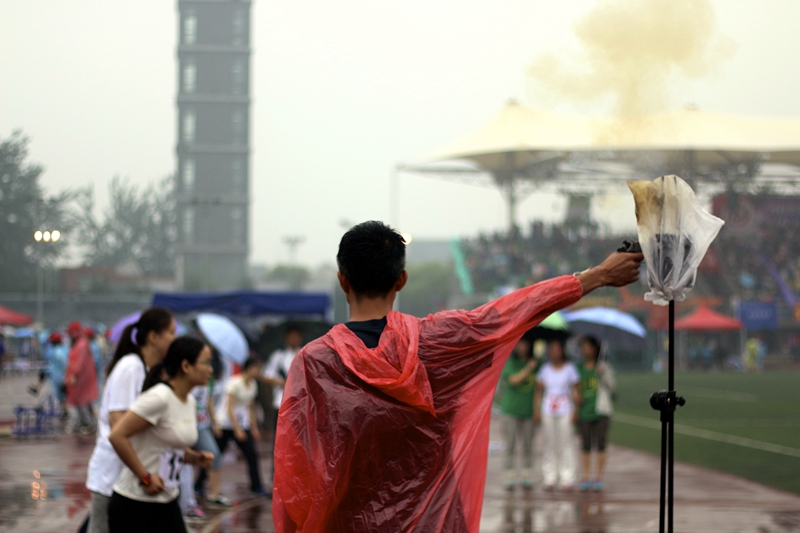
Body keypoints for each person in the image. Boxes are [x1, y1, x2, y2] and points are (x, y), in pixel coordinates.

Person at [272, 221, 642, 533]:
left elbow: (294, 472)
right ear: (401, 280)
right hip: (437, 522)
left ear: (342, 280)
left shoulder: (315, 363)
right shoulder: (439, 342)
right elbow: (511, 312)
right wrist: (597, 276)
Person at [107, 336, 215, 533]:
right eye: (206, 362)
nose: (211, 369)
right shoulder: (159, 397)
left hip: (167, 499)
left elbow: (168, 446)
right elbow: (117, 436)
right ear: (186, 366)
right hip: (134, 503)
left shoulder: (189, 401)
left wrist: (195, 458)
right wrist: (145, 477)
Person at [84, 308, 176, 533]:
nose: (175, 339)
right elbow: (117, 422)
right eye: (171, 333)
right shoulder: (131, 368)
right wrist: (144, 474)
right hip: (112, 471)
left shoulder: (145, 369)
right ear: (153, 337)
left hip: (126, 473)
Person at [215, 357, 269, 497]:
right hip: (227, 424)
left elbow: (250, 407)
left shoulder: (252, 385)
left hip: (242, 424)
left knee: (252, 455)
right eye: (257, 369)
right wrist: (237, 429)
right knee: (215, 454)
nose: (259, 372)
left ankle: (256, 486)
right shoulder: (234, 382)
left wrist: (253, 427)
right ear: (250, 368)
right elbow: (229, 407)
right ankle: (199, 484)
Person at [534, 337, 580, 491]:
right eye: (551, 349)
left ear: (562, 351)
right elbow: (539, 391)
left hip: (565, 410)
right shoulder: (545, 369)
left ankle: (567, 477)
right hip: (548, 410)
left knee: (566, 443)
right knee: (549, 443)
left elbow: (576, 390)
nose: (554, 352)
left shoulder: (570, 369)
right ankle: (550, 476)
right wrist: (536, 410)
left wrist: (576, 409)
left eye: (557, 349)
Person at [261, 325, 303, 480]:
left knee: (299, 441)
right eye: (291, 336)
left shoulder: (304, 354)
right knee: (280, 440)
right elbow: (266, 375)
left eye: (296, 336)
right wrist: (281, 382)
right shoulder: (278, 356)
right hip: (281, 402)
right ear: (286, 338)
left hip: (300, 403)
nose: (294, 339)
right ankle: (277, 474)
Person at [576, 335, 615, 492]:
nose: (584, 350)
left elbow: (612, 387)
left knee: (601, 443)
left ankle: (599, 476)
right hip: (584, 410)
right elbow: (573, 386)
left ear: (595, 349)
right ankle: (586, 476)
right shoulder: (578, 367)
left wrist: (602, 374)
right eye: (583, 347)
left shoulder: (603, 366)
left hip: (601, 411)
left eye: (587, 347)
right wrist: (575, 397)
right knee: (585, 444)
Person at [498, 336, 538, 489]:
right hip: (511, 410)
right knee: (510, 444)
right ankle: (510, 475)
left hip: (529, 411)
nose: (523, 346)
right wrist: (528, 368)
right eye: (520, 343)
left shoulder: (537, 363)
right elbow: (514, 380)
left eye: (525, 343)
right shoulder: (511, 362)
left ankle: (527, 474)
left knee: (528, 444)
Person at [65, 322, 99, 434]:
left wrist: (74, 375)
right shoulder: (80, 343)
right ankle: (82, 422)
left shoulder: (82, 344)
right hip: (79, 378)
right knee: (79, 401)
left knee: (81, 402)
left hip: (81, 379)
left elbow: (79, 363)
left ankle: (89, 423)